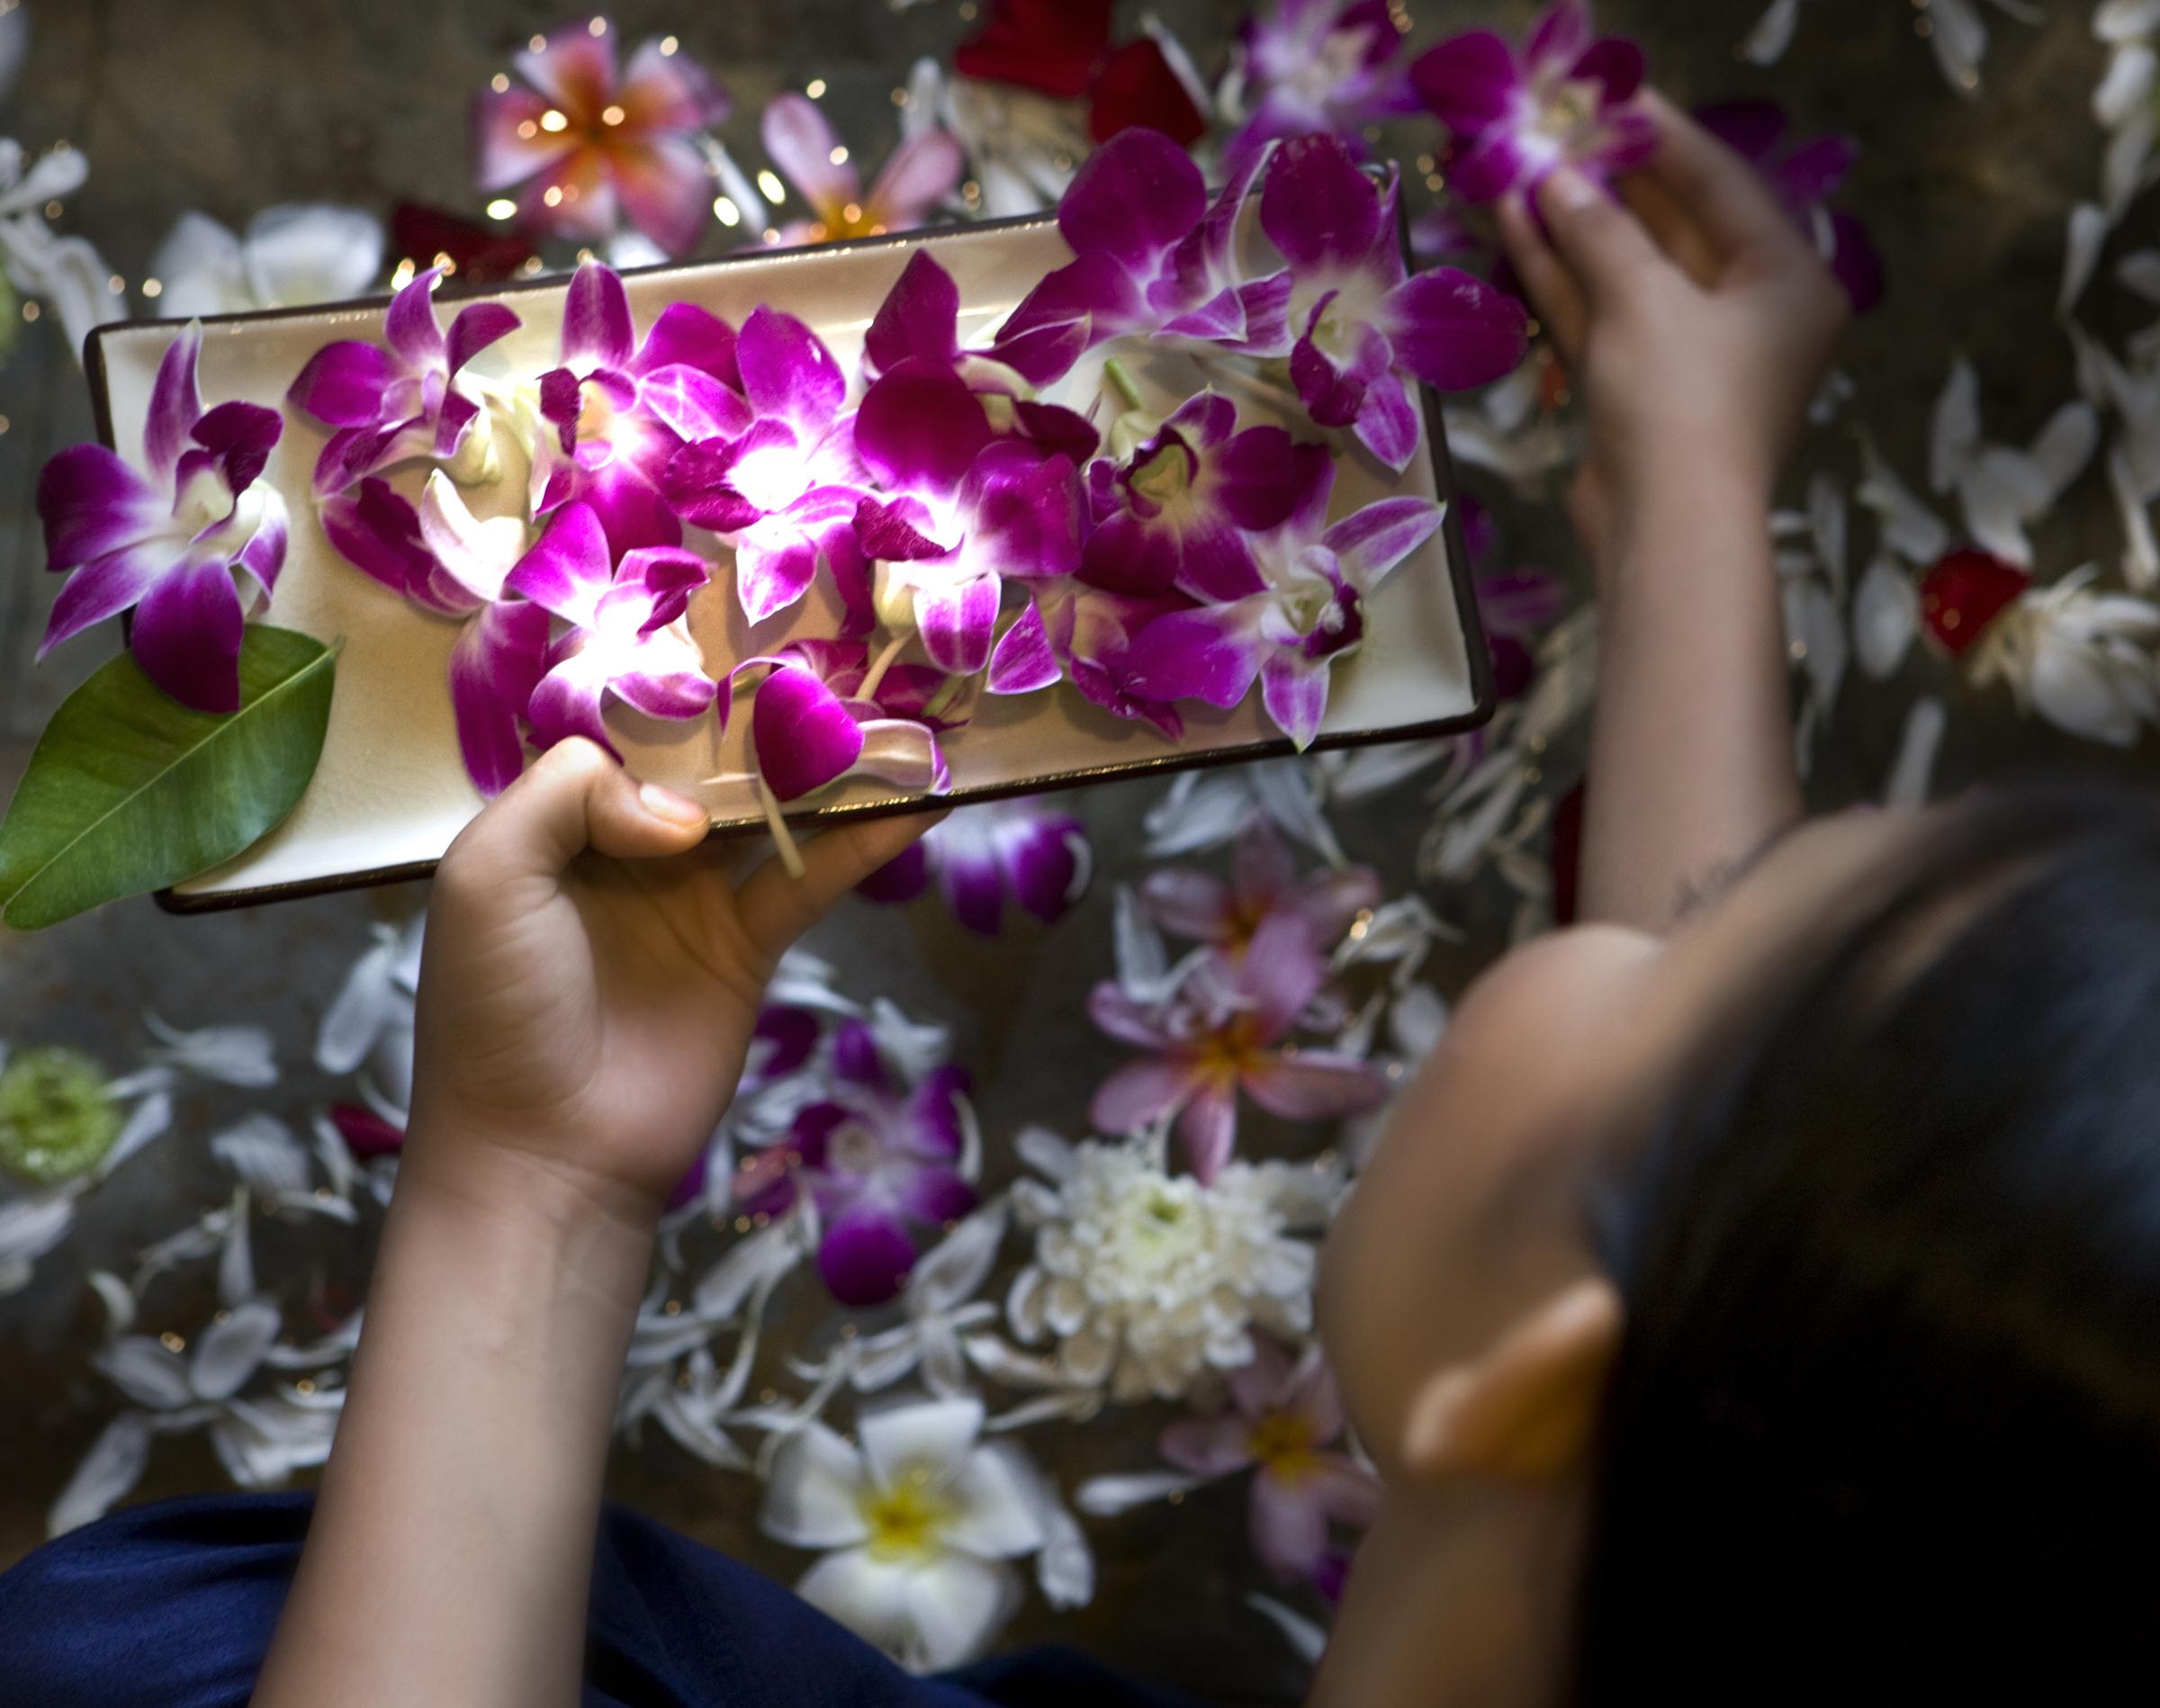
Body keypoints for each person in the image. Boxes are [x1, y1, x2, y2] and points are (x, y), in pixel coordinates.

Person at [4, 89, 2146, 1706]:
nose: (1652, 917)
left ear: (1554, 1380)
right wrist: (1684, 485)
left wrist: (526, 1199)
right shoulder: (1713, 1556)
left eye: (1671, 963)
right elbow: (1754, 1185)